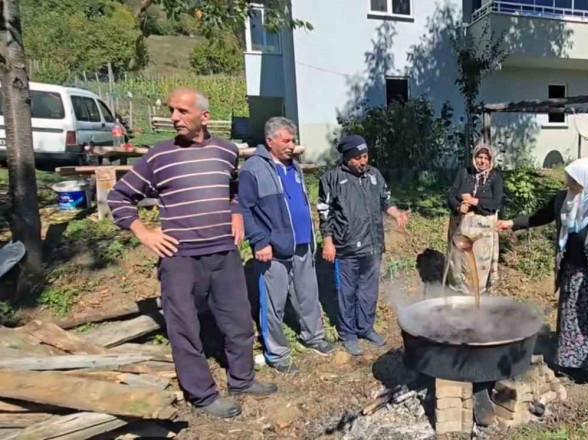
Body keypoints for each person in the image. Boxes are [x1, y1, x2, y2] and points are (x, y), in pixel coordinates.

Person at [108, 88, 277, 419]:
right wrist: (143, 232)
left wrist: (237, 212)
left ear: (204, 116)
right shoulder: (158, 156)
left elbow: (232, 188)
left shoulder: (226, 152)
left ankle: (242, 380)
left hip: (223, 253)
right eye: (172, 110)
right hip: (180, 258)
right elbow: (119, 196)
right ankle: (202, 394)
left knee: (239, 321)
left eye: (182, 111)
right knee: (185, 326)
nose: (174, 117)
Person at [497, 158, 588, 376]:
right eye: (569, 178)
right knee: (572, 316)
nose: (568, 183)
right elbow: (542, 215)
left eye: (574, 180)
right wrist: (512, 224)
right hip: (573, 269)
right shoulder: (564, 198)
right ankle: (570, 361)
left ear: (587, 180)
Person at [238, 117, 334, 376]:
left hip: (302, 244)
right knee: (274, 304)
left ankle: (313, 337)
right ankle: (277, 353)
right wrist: (259, 240)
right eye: (287, 140)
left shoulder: (295, 167)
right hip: (273, 250)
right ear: (270, 141)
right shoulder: (253, 169)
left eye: (293, 140)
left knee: (308, 295)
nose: (292, 145)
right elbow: (243, 209)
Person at [317, 135, 408, 356]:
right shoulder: (331, 179)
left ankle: (365, 328)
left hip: (373, 244)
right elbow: (324, 213)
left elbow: (385, 199)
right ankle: (348, 334)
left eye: (365, 156)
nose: (363, 161)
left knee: (369, 291)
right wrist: (328, 242)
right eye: (357, 158)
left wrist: (396, 213)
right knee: (346, 292)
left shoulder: (374, 175)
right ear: (347, 157)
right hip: (346, 248)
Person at [445, 143, 503, 295]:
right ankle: (458, 295)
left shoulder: (495, 177)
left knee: (478, 265)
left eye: (486, 158)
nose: (482, 161)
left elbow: (496, 203)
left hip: (482, 229)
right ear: (474, 158)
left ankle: (477, 296)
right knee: (459, 262)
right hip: (461, 225)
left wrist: (474, 202)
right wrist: (459, 207)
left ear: (490, 161)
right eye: (479, 157)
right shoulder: (464, 173)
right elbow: (451, 195)